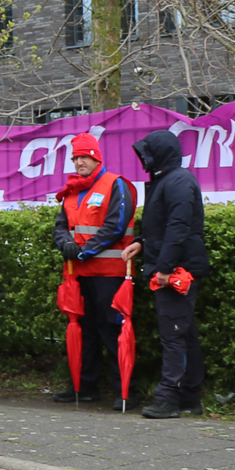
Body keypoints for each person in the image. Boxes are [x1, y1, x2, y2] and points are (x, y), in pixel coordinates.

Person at [126, 130, 208, 420]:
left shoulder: (175, 181)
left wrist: (164, 269)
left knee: (173, 334)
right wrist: (142, 243)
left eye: (146, 154)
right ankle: (187, 397)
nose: (143, 160)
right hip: (177, 265)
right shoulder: (171, 180)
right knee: (183, 333)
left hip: (176, 269)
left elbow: (178, 227)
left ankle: (169, 398)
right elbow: (165, 226)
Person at [50, 133, 137, 407]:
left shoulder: (116, 185)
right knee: (83, 331)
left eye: (84, 157)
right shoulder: (72, 190)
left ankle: (126, 391)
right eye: (76, 158)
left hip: (109, 273)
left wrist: (82, 251)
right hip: (79, 273)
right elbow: (60, 225)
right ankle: (85, 387)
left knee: (112, 331)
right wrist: (65, 243)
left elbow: (116, 227)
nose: (79, 163)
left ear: (96, 157)